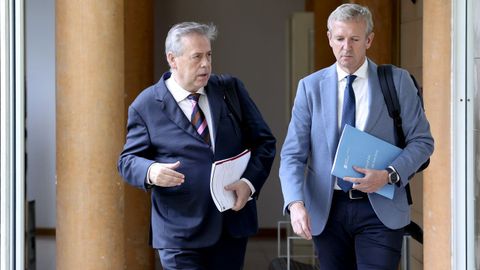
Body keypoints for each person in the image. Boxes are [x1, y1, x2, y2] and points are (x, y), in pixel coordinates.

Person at [279, 4, 434, 270]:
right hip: (328, 211)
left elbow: (422, 141)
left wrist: (389, 175)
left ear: (369, 40)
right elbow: (293, 154)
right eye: (339, 39)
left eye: (354, 39)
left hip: (381, 208)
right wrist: (295, 204)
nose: (346, 47)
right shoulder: (310, 87)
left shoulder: (396, 82)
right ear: (329, 38)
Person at [117, 21, 276, 270]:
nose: (206, 64)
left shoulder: (229, 89)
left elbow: (264, 142)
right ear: (173, 59)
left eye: (209, 55)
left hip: (230, 225)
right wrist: (151, 171)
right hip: (179, 233)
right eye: (197, 57)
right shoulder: (146, 104)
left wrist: (249, 183)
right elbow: (127, 161)